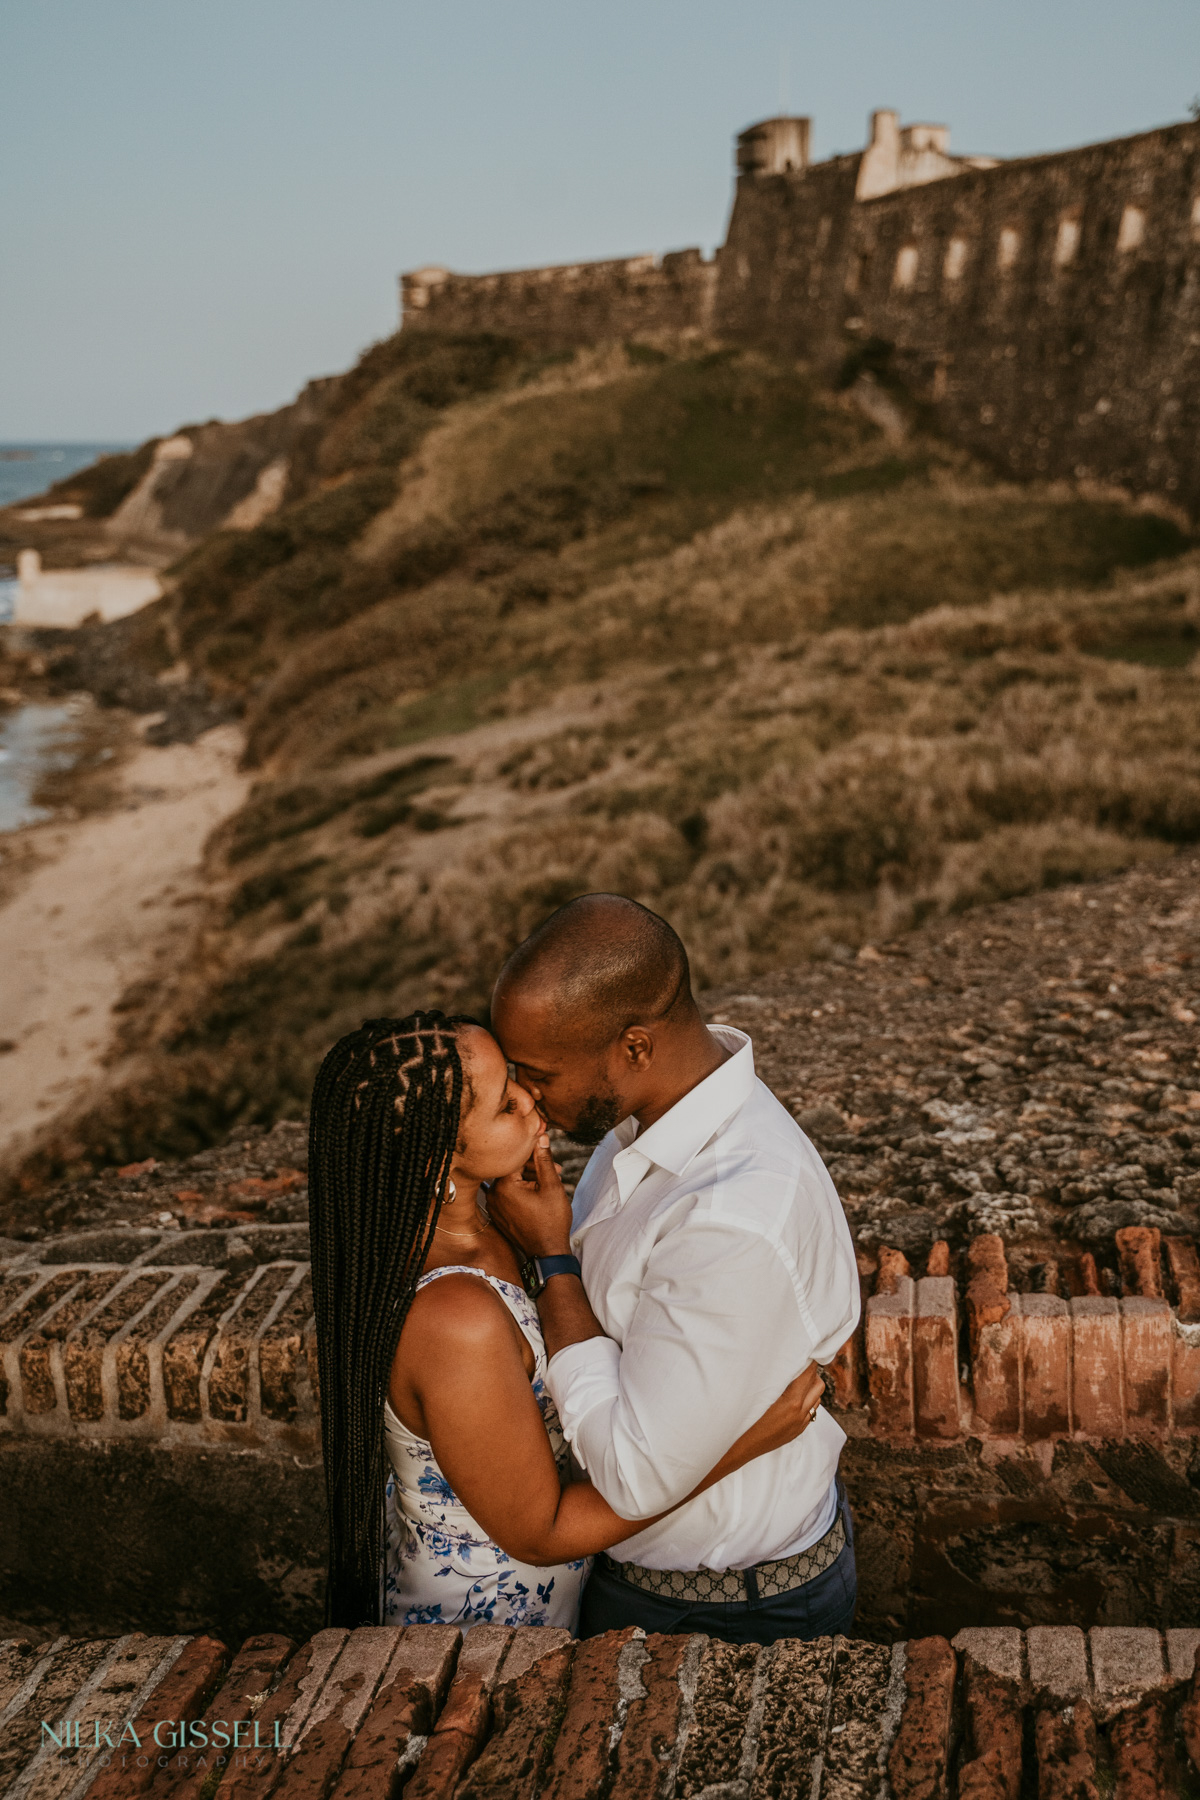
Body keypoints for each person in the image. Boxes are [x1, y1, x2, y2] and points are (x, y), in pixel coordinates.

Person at [308, 1010, 825, 1632]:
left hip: (560, 1603)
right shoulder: (455, 1319)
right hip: (484, 1635)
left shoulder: (500, 1222)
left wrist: (551, 1245)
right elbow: (544, 1531)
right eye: (505, 1104)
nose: (533, 1100)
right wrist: (740, 1444)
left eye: (518, 1078)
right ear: (436, 1160)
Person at [487, 893, 861, 1645]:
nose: (524, 1096)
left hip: (727, 1609)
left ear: (633, 1047)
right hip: (661, 1582)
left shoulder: (729, 1213)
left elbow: (633, 1474)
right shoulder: (648, 1119)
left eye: (537, 1073)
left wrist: (555, 1260)